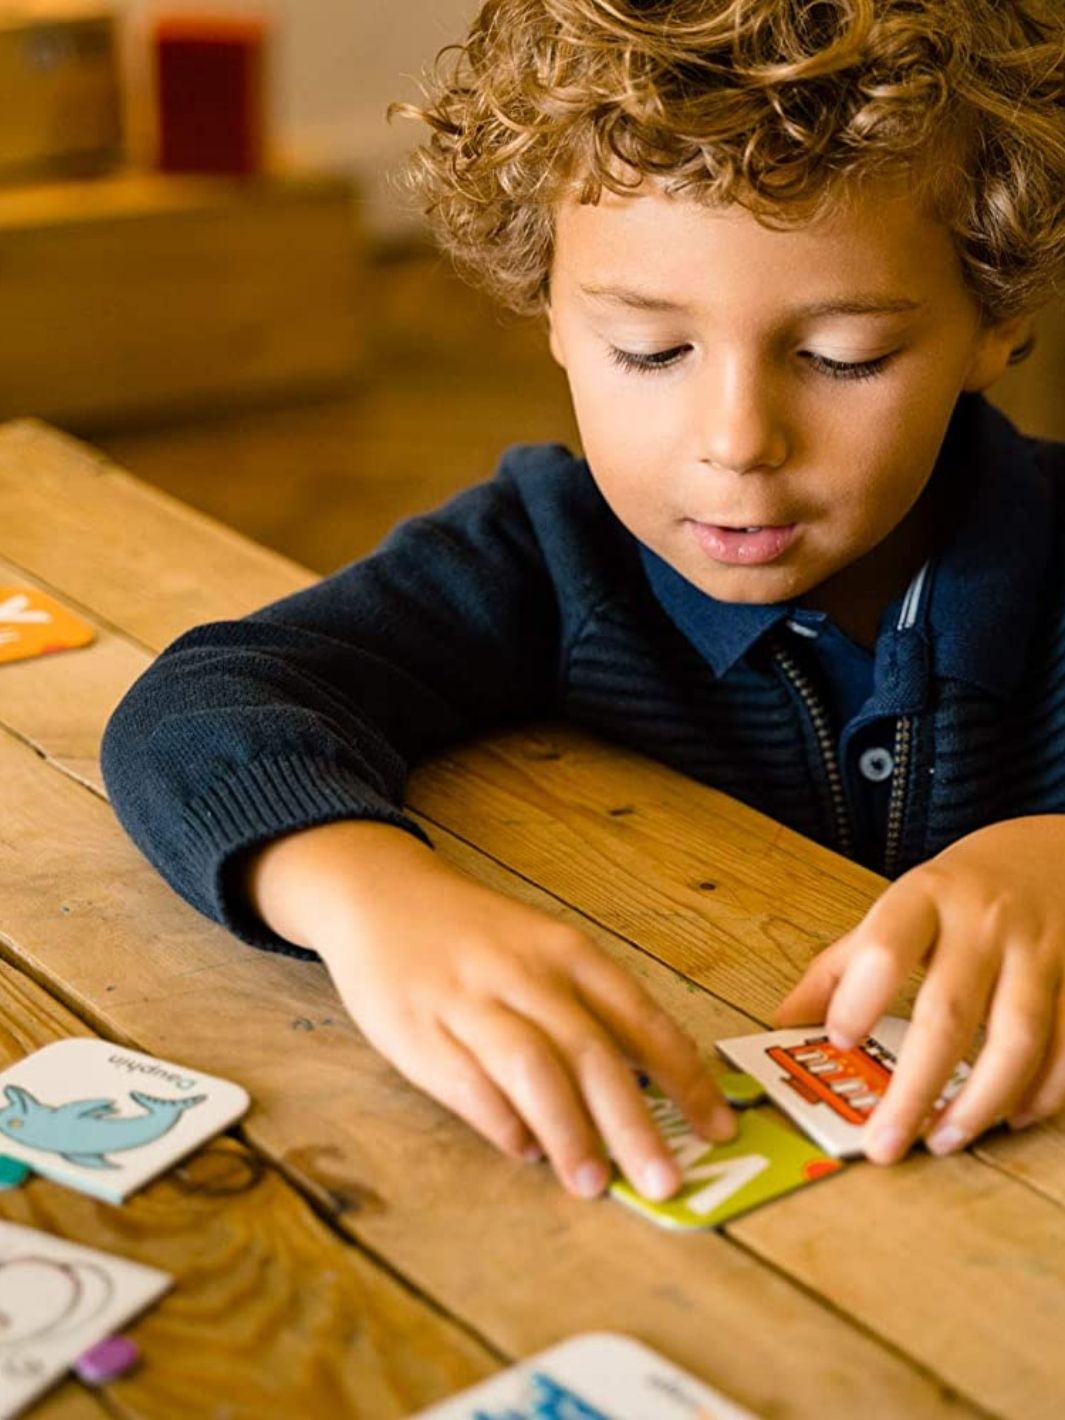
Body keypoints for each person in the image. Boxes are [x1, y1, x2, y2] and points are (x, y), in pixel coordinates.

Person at [101, 0, 1065, 1203]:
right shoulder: (547, 553)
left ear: (998, 318)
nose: (737, 441)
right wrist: (370, 902)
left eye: (843, 356)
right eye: (651, 351)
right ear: (550, 311)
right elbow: (201, 703)